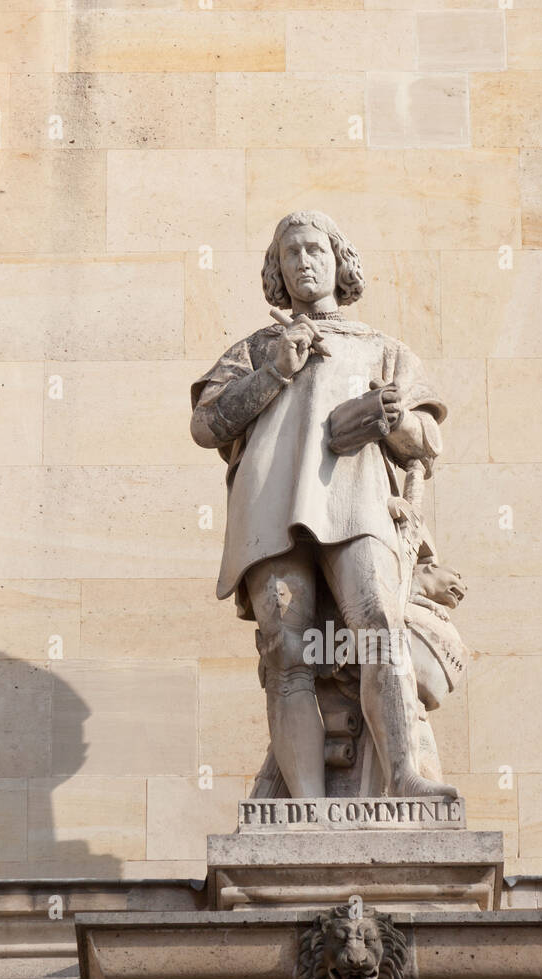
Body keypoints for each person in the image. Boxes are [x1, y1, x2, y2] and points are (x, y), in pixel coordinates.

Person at [191, 210, 458, 800]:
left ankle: (405, 776)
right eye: (291, 254)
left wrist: (388, 420)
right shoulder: (257, 346)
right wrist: (273, 373)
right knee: (286, 648)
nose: (304, 261)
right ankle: (305, 804)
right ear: (278, 273)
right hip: (270, 504)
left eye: (315, 249)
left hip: (358, 502)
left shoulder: (383, 349)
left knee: (379, 627)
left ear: (339, 263)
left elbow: (427, 443)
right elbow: (207, 425)